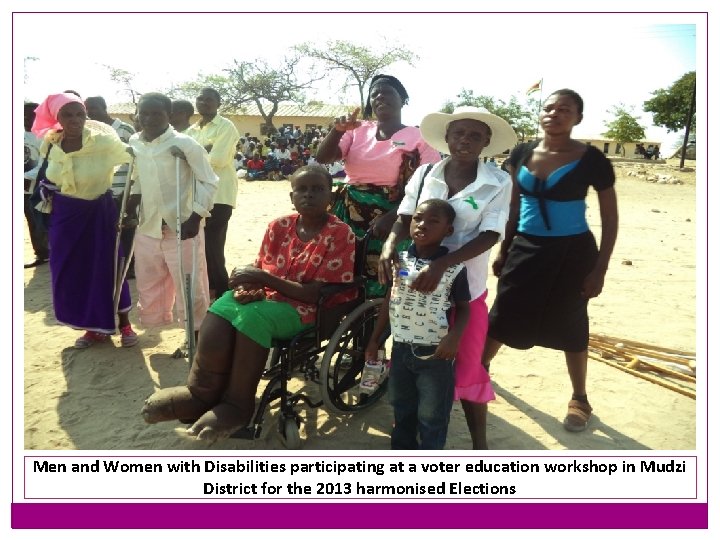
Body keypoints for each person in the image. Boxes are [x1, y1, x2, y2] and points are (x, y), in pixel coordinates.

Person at [140, 165, 357, 442]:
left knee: (251, 319)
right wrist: (245, 285)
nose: (309, 195)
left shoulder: (341, 234)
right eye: (301, 189)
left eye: (318, 189)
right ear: (291, 197)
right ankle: (201, 393)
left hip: (309, 309)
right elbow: (259, 268)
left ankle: (238, 404)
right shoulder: (278, 226)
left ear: (332, 195)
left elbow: (315, 294)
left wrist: (262, 278)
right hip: (267, 296)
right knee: (221, 308)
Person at [379, 106, 517, 450]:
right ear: (447, 137)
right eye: (458, 133)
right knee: (414, 365)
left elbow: (490, 235)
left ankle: (480, 446)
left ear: (486, 142)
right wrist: (390, 245)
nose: (465, 140)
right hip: (415, 284)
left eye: (474, 135)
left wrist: (443, 265)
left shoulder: (498, 181)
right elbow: (404, 217)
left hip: (465, 287)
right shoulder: (426, 174)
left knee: (468, 367)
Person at [482, 88, 619, 433]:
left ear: (578, 118)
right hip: (525, 248)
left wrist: (600, 268)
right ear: (540, 113)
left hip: (573, 253)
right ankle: (477, 372)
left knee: (571, 321)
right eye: (549, 107)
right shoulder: (523, 152)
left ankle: (580, 398)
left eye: (565, 109)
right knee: (504, 311)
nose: (555, 113)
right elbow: (514, 206)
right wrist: (504, 248)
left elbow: (611, 218)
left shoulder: (591, 160)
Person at [316, 74, 440, 298]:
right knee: (343, 271)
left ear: (403, 99)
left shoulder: (419, 136)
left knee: (382, 279)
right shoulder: (356, 130)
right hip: (348, 211)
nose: (380, 96)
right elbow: (324, 157)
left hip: (393, 214)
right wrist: (337, 130)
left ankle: (373, 328)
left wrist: (393, 216)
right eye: (375, 94)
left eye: (388, 92)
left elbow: (430, 184)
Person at [30, 92, 138, 348]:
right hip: (65, 215)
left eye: (80, 114)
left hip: (99, 213)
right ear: (57, 117)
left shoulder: (102, 142)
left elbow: (134, 158)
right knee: (71, 271)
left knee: (109, 267)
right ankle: (92, 327)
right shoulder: (50, 143)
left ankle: (124, 324)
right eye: (67, 115)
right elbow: (49, 175)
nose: (75, 120)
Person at [367, 199, 470, 450]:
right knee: (402, 409)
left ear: (448, 231)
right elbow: (389, 302)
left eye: (433, 221)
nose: (422, 224)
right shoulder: (398, 260)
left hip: (435, 355)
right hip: (400, 349)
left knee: (432, 416)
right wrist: (375, 339)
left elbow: (464, 308)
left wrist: (454, 337)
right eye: (418, 218)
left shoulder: (454, 268)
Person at [125, 92, 219, 342]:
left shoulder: (185, 144)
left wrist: (196, 217)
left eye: (156, 113)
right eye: (144, 113)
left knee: (190, 282)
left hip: (182, 223)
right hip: (149, 224)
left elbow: (209, 182)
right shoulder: (135, 143)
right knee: (149, 279)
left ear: (169, 115)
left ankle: (196, 334)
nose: (149, 118)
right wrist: (131, 204)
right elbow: (138, 181)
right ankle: (159, 320)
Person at [186, 87, 240, 300]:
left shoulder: (226, 126)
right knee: (199, 245)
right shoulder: (191, 131)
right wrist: (204, 150)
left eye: (209, 99)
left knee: (213, 244)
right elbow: (183, 160)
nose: (204, 102)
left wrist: (193, 156)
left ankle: (222, 290)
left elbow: (217, 160)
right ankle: (209, 289)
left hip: (220, 195)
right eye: (200, 98)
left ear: (218, 104)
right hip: (196, 195)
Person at [84, 96, 137, 278]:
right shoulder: (89, 131)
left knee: (126, 228)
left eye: (94, 108)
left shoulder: (125, 129)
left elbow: (135, 160)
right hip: (101, 189)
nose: (90, 112)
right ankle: (112, 263)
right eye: (87, 109)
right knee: (107, 228)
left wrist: (130, 189)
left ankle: (129, 265)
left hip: (123, 187)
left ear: (105, 107)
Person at [23, 101, 50, 268]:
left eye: (30, 115)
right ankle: (40, 253)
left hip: (40, 188)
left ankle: (50, 251)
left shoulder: (44, 137)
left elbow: (44, 164)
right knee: (31, 221)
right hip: (23, 188)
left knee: (42, 219)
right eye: (23, 115)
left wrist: (25, 177)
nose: (26, 118)